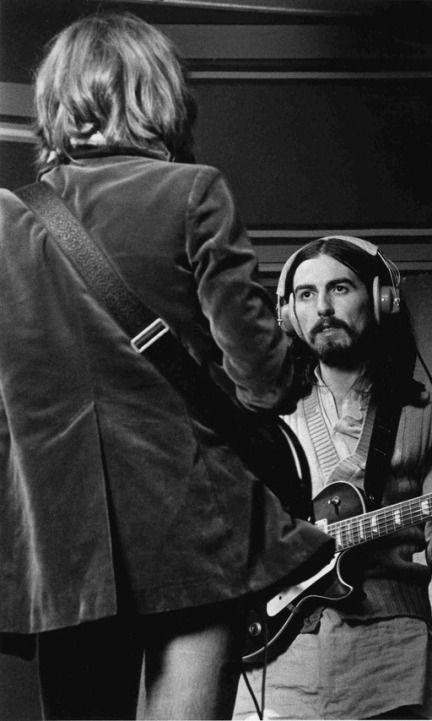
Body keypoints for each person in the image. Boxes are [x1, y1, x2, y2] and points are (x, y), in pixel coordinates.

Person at [0, 13, 334, 721]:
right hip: (190, 525)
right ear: (163, 97)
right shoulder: (193, 193)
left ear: (58, 101)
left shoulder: (5, 219)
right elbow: (263, 381)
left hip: (61, 543)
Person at [234, 235, 432, 720]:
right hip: (282, 651)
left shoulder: (424, 415)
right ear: (288, 313)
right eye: (306, 294)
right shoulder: (262, 416)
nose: (323, 307)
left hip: (394, 650)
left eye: (341, 289)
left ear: (380, 300)